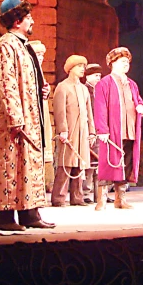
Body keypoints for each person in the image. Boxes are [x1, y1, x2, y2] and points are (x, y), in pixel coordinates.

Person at [0, 0, 53, 231]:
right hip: (14, 122)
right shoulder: (6, 46)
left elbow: (27, 79)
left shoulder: (23, 45)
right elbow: (6, 84)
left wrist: (41, 90)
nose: (32, 21)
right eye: (29, 18)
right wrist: (16, 119)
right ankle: (4, 218)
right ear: (17, 21)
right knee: (10, 167)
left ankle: (29, 214)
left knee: (27, 166)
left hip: (30, 116)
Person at [93, 47, 143, 211]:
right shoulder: (104, 83)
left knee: (126, 164)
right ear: (113, 63)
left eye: (127, 62)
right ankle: (101, 199)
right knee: (108, 163)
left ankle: (120, 199)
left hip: (129, 130)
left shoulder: (132, 84)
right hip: (112, 132)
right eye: (122, 61)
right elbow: (100, 107)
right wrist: (102, 129)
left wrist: (140, 106)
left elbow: (138, 100)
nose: (126, 65)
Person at [51, 55, 95, 206]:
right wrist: (62, 130)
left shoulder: (83, 89)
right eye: (79, 66)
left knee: (80, 164)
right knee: (66, 163)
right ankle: (58, 198)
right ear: (70, 69)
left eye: (83, 66)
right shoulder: (63, 87)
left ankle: (78, 197)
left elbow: (89, 112)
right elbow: (59, 111)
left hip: (82, 132)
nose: (82, 69)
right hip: (70, 132)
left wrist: (92, 131)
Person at [29, 40, 55, 191]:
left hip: (43, 116)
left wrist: (46, 91)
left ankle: (45, 185)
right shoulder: (28, 72)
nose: (40, 57)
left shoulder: (40, 73)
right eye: (37, 54)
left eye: (42, 55)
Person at [82, 63, 103, 203]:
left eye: (100, 76)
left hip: (100, 130)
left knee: (100, 162)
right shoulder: (84, 90)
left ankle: (100, 194)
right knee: (89, 163)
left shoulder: (100, 90)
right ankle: (86, 193)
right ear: (88, 75)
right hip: (89, 130)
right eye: (96, 76)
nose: (98, 78)